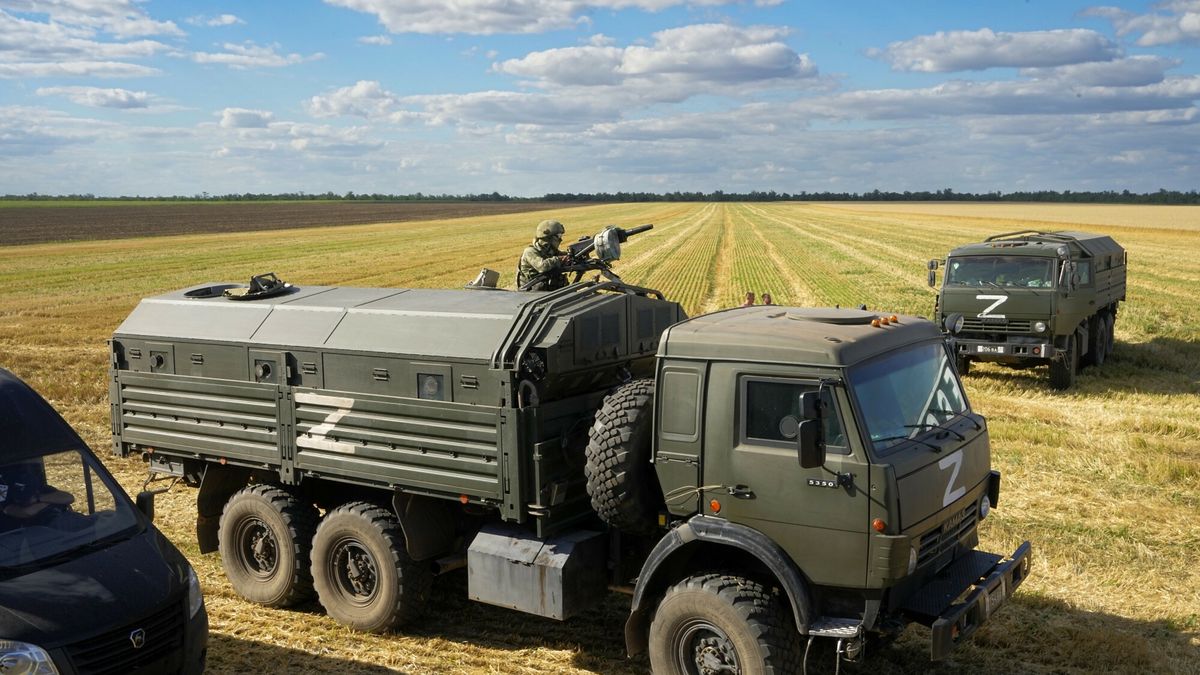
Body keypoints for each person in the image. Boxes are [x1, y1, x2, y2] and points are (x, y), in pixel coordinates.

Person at [517, 220, 572, 291]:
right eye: (558, 236)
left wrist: (571, 256)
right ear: (548, 237)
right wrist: (559, 260)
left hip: (545, 289)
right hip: (530, 292)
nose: (560, 239)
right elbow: (542, 266)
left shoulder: (549, 249)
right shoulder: (530, 251)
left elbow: (561, 255)